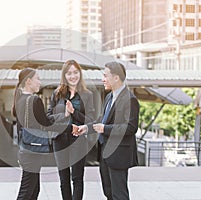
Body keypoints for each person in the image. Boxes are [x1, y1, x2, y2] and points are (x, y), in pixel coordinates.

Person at [73, 61, 140, 200]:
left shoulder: (130, 99)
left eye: (105, 75)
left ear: (116, 78)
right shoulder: (109, 96)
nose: (103, 79)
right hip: (105, 153)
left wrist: (105, 129)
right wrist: (86, 128)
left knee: (119, 194)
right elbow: (103, 119)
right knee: (108, 192)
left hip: (119, 154)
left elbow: (130, 128)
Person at [12, 68, 69, 200]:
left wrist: (63, 115)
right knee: (27, 190)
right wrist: (68, 124)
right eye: (37, 78)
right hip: (32, 151)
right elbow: (46, 123)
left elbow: (42, 121)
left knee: (33, 189)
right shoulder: (34, 100)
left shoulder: (20, 99)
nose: (40, 82)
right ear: (28, 81)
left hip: (25, 149)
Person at [47, 60, 95, 200]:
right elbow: (49, 117)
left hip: (78, 141)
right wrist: (65, 114)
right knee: (64, 179)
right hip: (60, 139)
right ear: (64, 75)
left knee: (77, 178)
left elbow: (90, 120)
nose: (72, 76)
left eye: (75, 72)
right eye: (69, 73)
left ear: (80, 73)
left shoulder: (87, 95)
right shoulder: (57, 94)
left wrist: (74, 112)